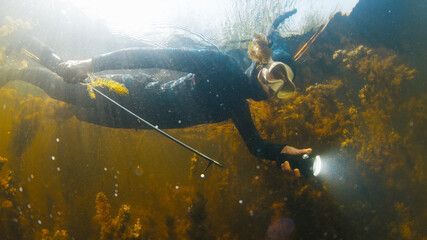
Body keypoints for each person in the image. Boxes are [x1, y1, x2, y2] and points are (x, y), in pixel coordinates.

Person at [0, 10, 311, 176]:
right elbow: (152, 57)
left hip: (134, 116)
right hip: (132, 93)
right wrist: (91, 63)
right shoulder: (221, 65)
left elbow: (255, 146)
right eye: (276, 75)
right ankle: (15, 64)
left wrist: (283, 151)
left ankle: (25, 50)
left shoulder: (238, 105)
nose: (273, 87)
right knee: (61, 87)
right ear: (264, 62)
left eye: (284, 89)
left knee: (68, 95)